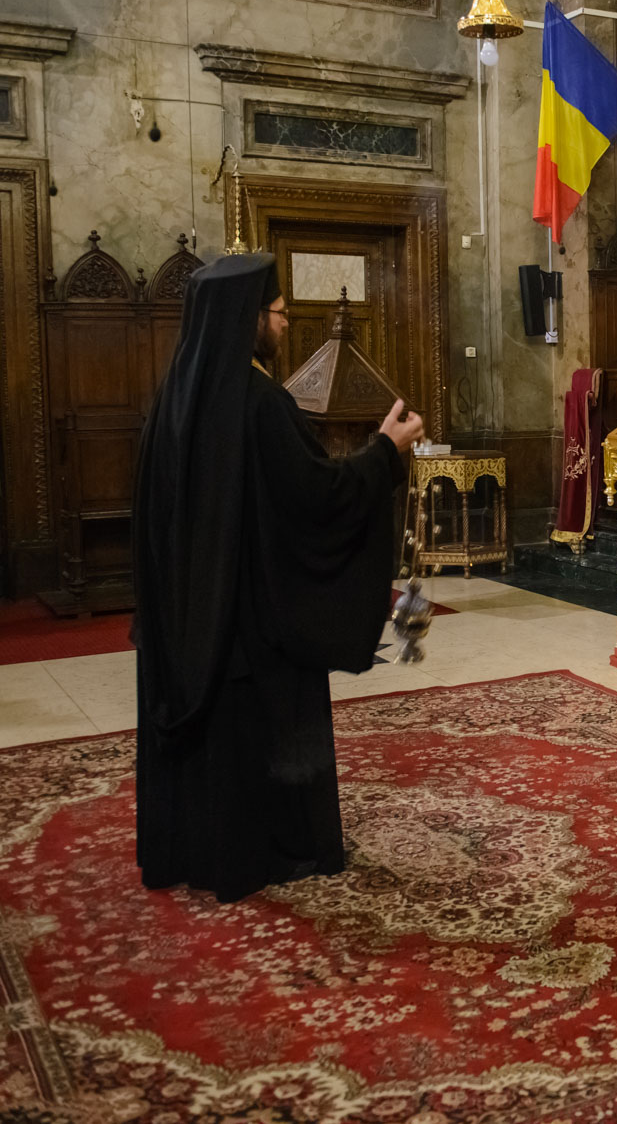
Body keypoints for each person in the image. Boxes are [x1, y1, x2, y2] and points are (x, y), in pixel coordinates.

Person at [131, 253, 423, 903]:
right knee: (256, 734)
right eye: (279, 311)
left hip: (185, 619)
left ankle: (186, 847)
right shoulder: (260, 403)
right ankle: (267, 852)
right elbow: (317, 498)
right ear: (247, 317)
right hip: (249, 626)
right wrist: (384, 452)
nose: (287, 322)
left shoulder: (173, 397)